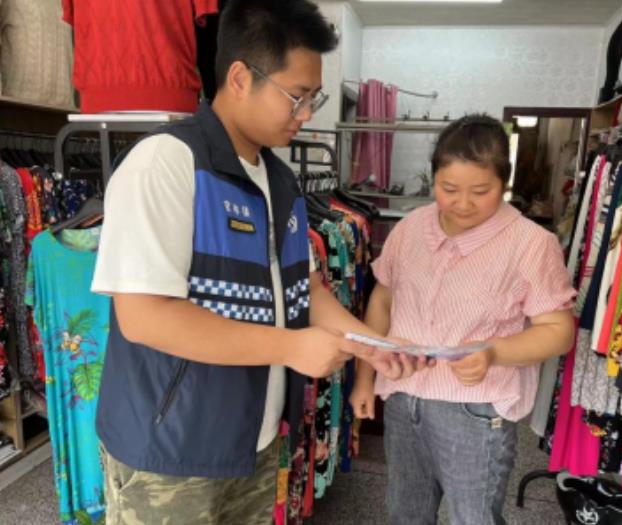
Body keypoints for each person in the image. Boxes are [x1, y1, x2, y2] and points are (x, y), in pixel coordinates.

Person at [91, 1, 423, 523]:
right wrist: (290, 347)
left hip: (256, 439)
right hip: (170, 453)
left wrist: (372, 345)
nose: (307, 113)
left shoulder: (281, 181)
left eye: (314, 98)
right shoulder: (166, 163)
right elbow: (144, 316)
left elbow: (306, 288)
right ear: (240, 78)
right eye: (297, 96)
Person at [350, 114, 576, 525]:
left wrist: (493, 353)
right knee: (404, 514)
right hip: (402, 397)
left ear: (504, 183)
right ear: (433, 178)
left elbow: (558, 331)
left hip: (475, 410)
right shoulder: (412, 227)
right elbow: (382, 300)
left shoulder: (530, 243)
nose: (463, 203)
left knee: (472, 518)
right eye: (449, 189)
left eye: (481, 191)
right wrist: (365, 378)